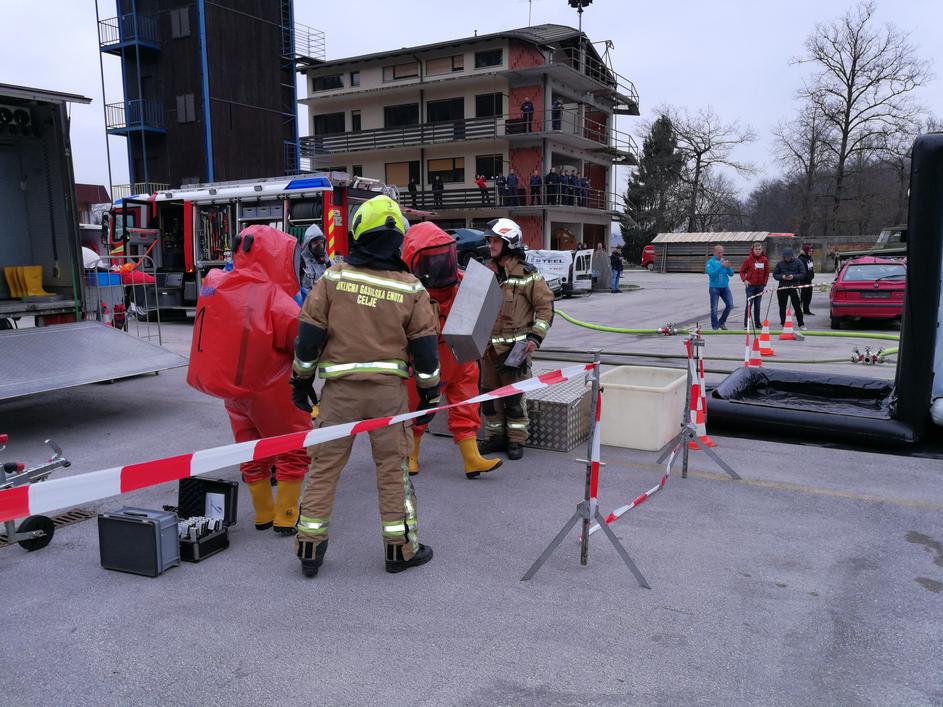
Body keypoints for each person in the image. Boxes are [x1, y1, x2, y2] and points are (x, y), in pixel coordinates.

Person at [289, 194, 440, 577]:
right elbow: (425, 352)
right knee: (393, 471)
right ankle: (400, 551)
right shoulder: (412, 289)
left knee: (324, 468)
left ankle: (310, 550)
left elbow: (308, 339)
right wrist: (429, 393)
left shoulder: (334, 278)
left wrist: (300, 381)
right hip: (389, 396)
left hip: (339, 395)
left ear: (359, 232)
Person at [187, 225, 311, 534]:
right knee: (292, 447)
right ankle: (286, 515)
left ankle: (263, 513)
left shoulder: (221, 284)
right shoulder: (273, 296)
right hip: (274, 389)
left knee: (250, 449)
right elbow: (301, 338)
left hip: (234, 390)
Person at [401, 222, 502, 479]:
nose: (440, 265)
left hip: (460, 354)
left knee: (466, 403)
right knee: (418, 405)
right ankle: (410, 454)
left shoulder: (463, 281)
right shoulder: (408, 290)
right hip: (427, 357)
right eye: (433, 260)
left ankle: (471, 458)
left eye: (444, 257)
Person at [478, 218, 555, 461]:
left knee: (513, 399)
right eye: (489, 240)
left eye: (495, 240)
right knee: (489, 399)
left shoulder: (528, 275)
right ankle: (495, 437)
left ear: (509, 242)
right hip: (487, 349)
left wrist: (535, 336)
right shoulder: (484, 272)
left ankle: (516, 440)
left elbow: (545, 309)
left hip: (515, 349)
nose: (490, 244)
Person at [772, 247, 806, 329]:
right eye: (785, 257)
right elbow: (775, 274)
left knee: (797, 306)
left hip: (794, 287)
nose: (787, 258)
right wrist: (782, 277)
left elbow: (803, 274)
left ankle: (801, 324)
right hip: (782, 287)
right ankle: (783, 323)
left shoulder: (798, 262)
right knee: (782, 306)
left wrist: (793, 276)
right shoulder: (780, 263)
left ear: (792, 256)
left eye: (788, 257)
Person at [739, 241, 769, 331]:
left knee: (758, 305)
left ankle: (757, 323)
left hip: (760, 286)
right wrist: (745, 280)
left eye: (759, 249)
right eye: (756, 249)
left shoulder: (764, 260)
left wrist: (764, 283)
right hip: (750, 287)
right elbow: (742, 271)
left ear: (761, 250)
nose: (758, 251)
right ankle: (746, 323)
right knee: (749, 304)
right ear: (753, 250)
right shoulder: (748, 259)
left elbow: (767, 273)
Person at [706, 244, 734, 331]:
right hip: (714, 287)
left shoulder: (724, 261)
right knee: (714, 308)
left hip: (725, 287)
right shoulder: (710, 262)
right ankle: (715, 326)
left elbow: (731, 274)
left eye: (722, 252)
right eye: (719, 253)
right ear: (714, 253)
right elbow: (711, 274)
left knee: (730, 305)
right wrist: (721, 266)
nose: (721, 254)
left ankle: (721, 322)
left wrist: (728, 267)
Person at [300, 224, 332, 291]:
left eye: (321, 243)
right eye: (315, 243)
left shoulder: (329, 263)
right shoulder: (301, 265)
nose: (319, 246)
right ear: (308, 245)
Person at [798, 244, 815, 315]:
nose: (811, 252)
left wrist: (812, 275)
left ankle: (806, 310)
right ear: (806, 251)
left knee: (808, 296)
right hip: (803, 281)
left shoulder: (810, 258)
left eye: (812, 251)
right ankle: (798, 311)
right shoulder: (801, 259)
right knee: (802, 297)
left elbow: (811, 268)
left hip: (809, 281)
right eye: (810, 251)